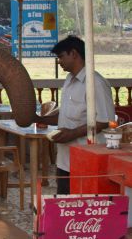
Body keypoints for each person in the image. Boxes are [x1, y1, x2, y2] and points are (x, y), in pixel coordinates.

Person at [40, 36, 115, 195]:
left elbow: (105, 121)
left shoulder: (95, 83)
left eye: (61, 56)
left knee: (82, 206)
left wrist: (72, 133)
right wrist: (38, 119)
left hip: (86, 160)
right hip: (64, 159)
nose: (59, 61)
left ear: (74, 54)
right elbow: (65, 115)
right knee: (64, 203)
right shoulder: (69, 80)